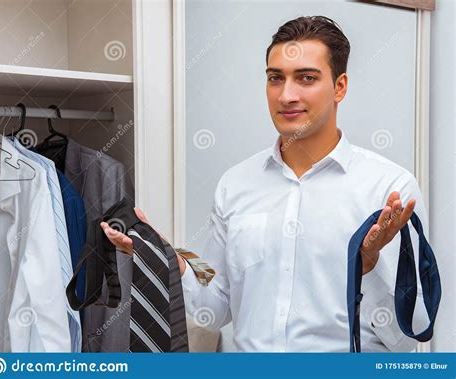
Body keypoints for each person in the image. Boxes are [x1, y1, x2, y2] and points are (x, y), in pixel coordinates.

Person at [101, 15, 431, 352]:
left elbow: (409, 337)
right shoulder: (235, 185)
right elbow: (213, 308)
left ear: (339, 87)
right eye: (276, 78)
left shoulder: (389, 188)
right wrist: (172, 258)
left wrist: (370, 265)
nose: (287, 95)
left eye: (306, 78)